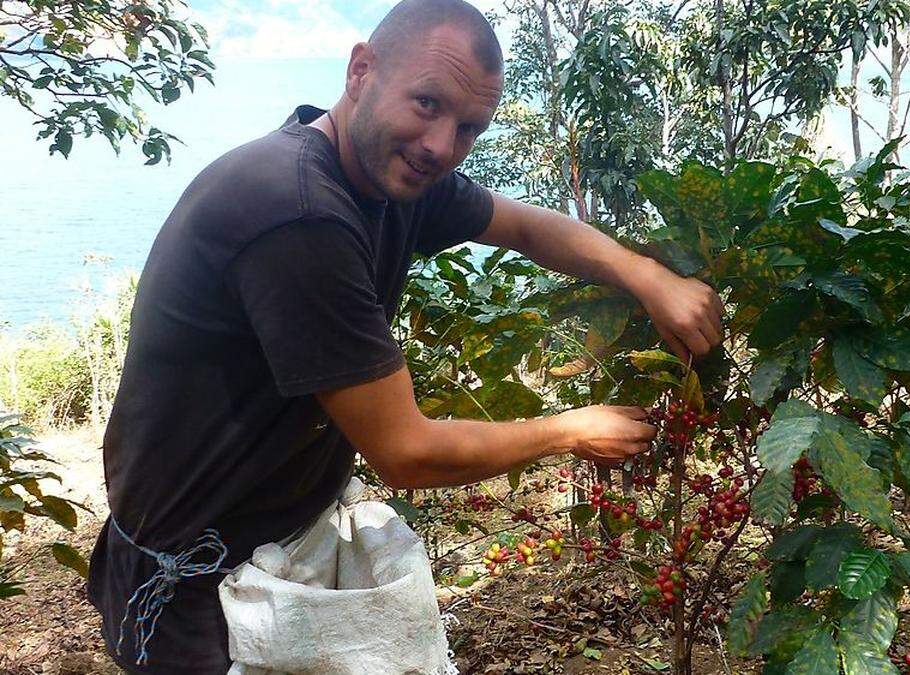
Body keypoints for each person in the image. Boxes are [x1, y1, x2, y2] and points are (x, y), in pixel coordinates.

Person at [86, 0, 723, 671]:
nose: (441, 146)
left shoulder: (389, 177)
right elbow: (406, 451)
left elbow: (528, 227)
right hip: (191, 589)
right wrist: (567, 430)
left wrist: (648, 277)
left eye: (469, 127)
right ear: (361, 70)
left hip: (272, 537)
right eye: (426, 103)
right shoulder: (298, 215)